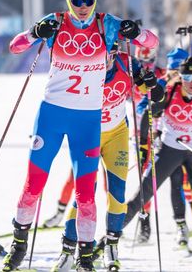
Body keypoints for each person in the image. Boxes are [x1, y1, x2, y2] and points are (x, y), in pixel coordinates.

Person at [1, 0, 141, 272]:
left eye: (88, 1)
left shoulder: (108, 24)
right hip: (52, 114)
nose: (82, 6)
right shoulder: (56, 20)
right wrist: (35, 33)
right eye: (77, 1)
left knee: (86, 194)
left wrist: (136, 31)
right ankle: (19, 243)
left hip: (87, 121)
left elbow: (149, 42)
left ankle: (85, 256)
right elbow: (15, 47)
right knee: (33, 185)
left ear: (94, 0)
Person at [57, 45, 153, 271]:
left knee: (117, 194)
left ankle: (111, 246)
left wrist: (152, 86)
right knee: (84, 195)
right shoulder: (81, 66)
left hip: (117, 134)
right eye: (100, 55)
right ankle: (68, 250)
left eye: (109, 55)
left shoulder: (126, 62)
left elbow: (144, 89)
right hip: (88, 135)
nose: (105, 61)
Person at [123, 57, 192, 259]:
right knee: (144, 192)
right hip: (170, 150)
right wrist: (144, 147)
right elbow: (147, 117)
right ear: (180, 77)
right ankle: (112, 235)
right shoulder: (170, 93)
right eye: (188, 76)